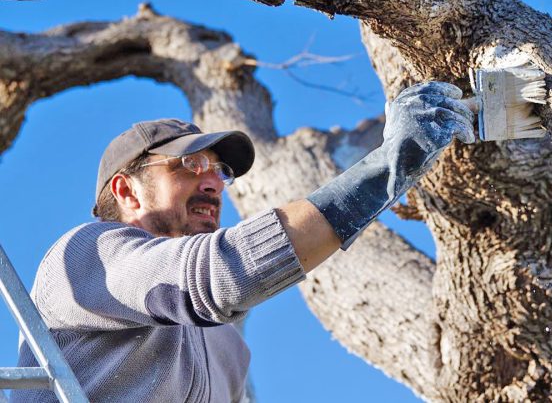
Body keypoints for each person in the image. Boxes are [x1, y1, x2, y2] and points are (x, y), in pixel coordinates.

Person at [11, 81, 475, 402]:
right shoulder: (86, 255)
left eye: (220, 171)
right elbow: (224, 273)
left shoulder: (227, 346)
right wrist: (387, 167)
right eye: (190, 166)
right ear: (126, 190)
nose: (214, 182)